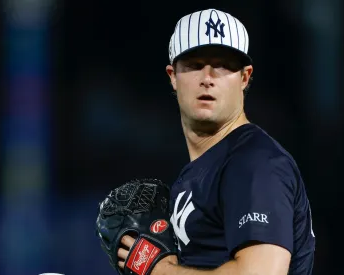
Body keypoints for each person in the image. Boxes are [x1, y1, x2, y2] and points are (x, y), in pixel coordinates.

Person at [117, 8, 315, 275]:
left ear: (244, 77)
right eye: (195, 65)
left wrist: (161, 271)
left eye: (222, 66)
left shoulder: (255, 163)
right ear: (172, 76)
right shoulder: (200, 171)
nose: (207, 78)